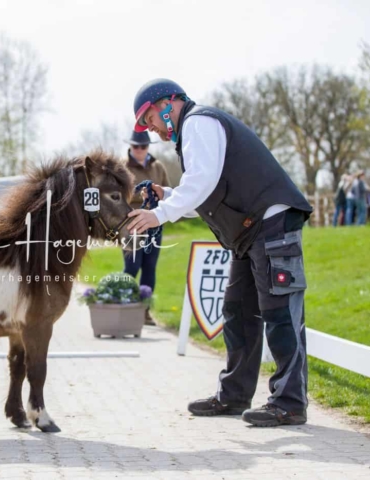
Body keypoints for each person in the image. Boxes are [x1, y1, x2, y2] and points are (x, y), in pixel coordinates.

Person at [126, 79, 313, 427]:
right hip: (250, 233)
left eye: (149, 118)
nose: (149, 128)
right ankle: (235, 395)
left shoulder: (199, 122)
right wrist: (166, 194)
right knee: (238, 311)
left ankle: (289, 402)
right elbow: (205, 191)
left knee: (280, 312)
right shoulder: (194, 131)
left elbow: (201, 183)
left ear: (168, 103)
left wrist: (157, 215)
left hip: (270, 224)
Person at [122, 130, 170, 325]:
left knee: (149, 268)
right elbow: (118, 197)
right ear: (131, 147)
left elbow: (168, 192)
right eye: (136, 146)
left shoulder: (158, 167)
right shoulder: (122, 168)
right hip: (132, 225)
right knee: (132, 267)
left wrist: (156, 196)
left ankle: (144, 311)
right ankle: (123, 306)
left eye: (144, 146)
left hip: (155, 225)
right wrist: (139, 195)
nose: (140, 150)